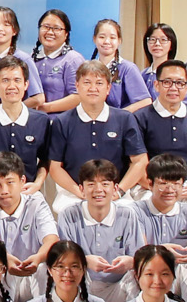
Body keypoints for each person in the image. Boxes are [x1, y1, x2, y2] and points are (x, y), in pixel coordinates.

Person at [43, 60, 146, 203]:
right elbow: (55, 167)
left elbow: (140, 161)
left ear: (108, 88)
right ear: (77, 86)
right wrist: (79, 191)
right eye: (87, 83)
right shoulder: (62, 121)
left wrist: (120, 191)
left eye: (99, 83)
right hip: (74, 194)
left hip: (115, 195)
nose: (93, 88)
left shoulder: (125, 119)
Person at [56, 159, 141, 302]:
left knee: (137, 275)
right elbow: (62, 257)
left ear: (115, 188)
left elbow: (140, 256)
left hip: (118, 286)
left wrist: (130, 262)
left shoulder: (127, 215)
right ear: (81, 189)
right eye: (91, 184)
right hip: (81, 285)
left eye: (105, 184)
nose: (98, 189)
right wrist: (84, 261)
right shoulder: (68, 215)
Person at [131, 155, 187, 302]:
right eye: (163, 184)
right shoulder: (136, 211)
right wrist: (162, 251)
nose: (170, 190)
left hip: (181, 269)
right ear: (150, 184)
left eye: (176, 184)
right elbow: (140, 251)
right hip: (150, 271)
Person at [0, 57, 50, 200]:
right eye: (5, 80)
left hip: (28, 191)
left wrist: (37, 184)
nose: (12, 86)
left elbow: (46, 160)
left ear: (26, 84)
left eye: (17, 80)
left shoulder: (41, 121)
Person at [0, 154, 60, 302]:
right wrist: (6, 259)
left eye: (10, 182)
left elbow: (51, 240)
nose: (3, 190)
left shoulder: (36, 203)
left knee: (46, 268)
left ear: (22, 181)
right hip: (2, 272)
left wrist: (38, 258)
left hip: (33, 273)